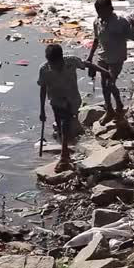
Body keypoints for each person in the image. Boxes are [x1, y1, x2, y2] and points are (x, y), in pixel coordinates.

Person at [39, 44, 111, 172]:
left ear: (61, 59)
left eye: (56, 63)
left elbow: (87, 64)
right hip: (56, 101)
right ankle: (65, 150)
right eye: (51, 63)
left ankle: (64, 156)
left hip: (72, 99)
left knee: (65, 123)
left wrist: (104, 71)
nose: (54, 66)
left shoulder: (71, 61)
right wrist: (42, 110)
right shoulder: (44, 70)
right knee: (62, 127)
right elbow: (43, 89)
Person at [87, 0, 134, 124]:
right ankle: (110, 109)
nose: (99, 14)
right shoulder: (97, 22)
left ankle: (118, 105)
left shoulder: (120, 22)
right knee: (104, 84)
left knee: (110, 84)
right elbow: (96, 40)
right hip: (102, 57)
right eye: (97, 11)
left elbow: (133, 36)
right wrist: (90, 57)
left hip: (117, 57)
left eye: (101, 11)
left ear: (109, 9)